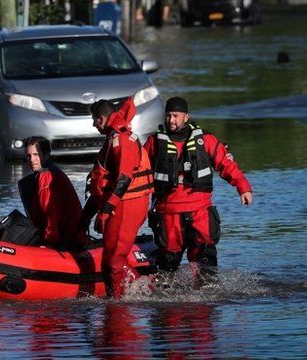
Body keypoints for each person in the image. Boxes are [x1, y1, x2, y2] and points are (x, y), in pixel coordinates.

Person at [144, 96, 252, 281]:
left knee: (206, 258)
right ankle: (166, 299)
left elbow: (226, 164)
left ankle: (208, 296)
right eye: (168, 115)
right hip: (169, 211)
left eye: (176, 116)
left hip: (199, 209)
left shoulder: (206, 139)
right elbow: (139, 171)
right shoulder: (154, 142)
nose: (171, 120)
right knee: (168, 262)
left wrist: (243, 187)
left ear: (186, 116)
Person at [79, 97, 154, 299]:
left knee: (114, 260)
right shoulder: (113, 137)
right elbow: (104, 183)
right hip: (122, 203)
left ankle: (124, 302)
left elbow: (124, 178)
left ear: (102, 118)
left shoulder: (120, 139)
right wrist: (87, 215)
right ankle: (128, 295)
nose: (94, 124)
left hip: (126, 204)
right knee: (111, 259)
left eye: (95, 120)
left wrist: (105, 210)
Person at [17, 136, 87, 250]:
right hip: (69, 237)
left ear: (46, 155)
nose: (31, 159)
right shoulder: (48, 173)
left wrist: (49, 242)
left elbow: (50, 212)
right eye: (28, 155)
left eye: (36, 155)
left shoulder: (47, 175)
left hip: (67, 241)